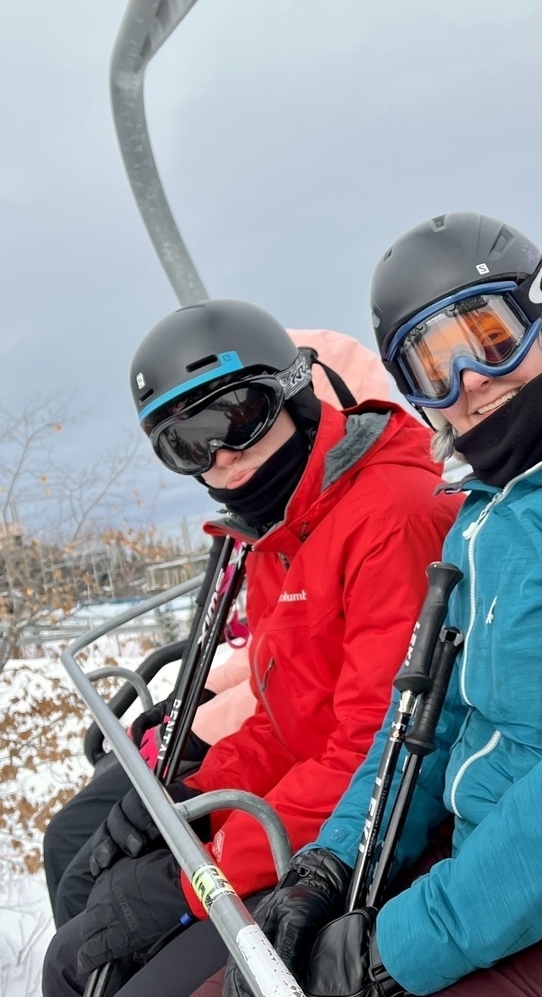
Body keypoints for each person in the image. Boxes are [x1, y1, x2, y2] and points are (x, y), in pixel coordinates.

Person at [216, 211, 542, 997]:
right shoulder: (482, 512)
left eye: (491, 337)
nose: (470, 381)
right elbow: (427, 723)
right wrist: (329, 865)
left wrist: (392, 950)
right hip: (486, 876)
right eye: (431, 367)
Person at [41, 301, 461, 997]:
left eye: (238, 418)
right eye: (186, 446)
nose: (222, 459)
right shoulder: (281, 527)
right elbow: (284, 720)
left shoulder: (390, 514)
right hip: (311, 819)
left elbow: (374, 749)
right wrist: (189, 798)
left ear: (293, 394)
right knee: (81, 930)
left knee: (107, 973)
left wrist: (196, 874)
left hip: (375, 842)